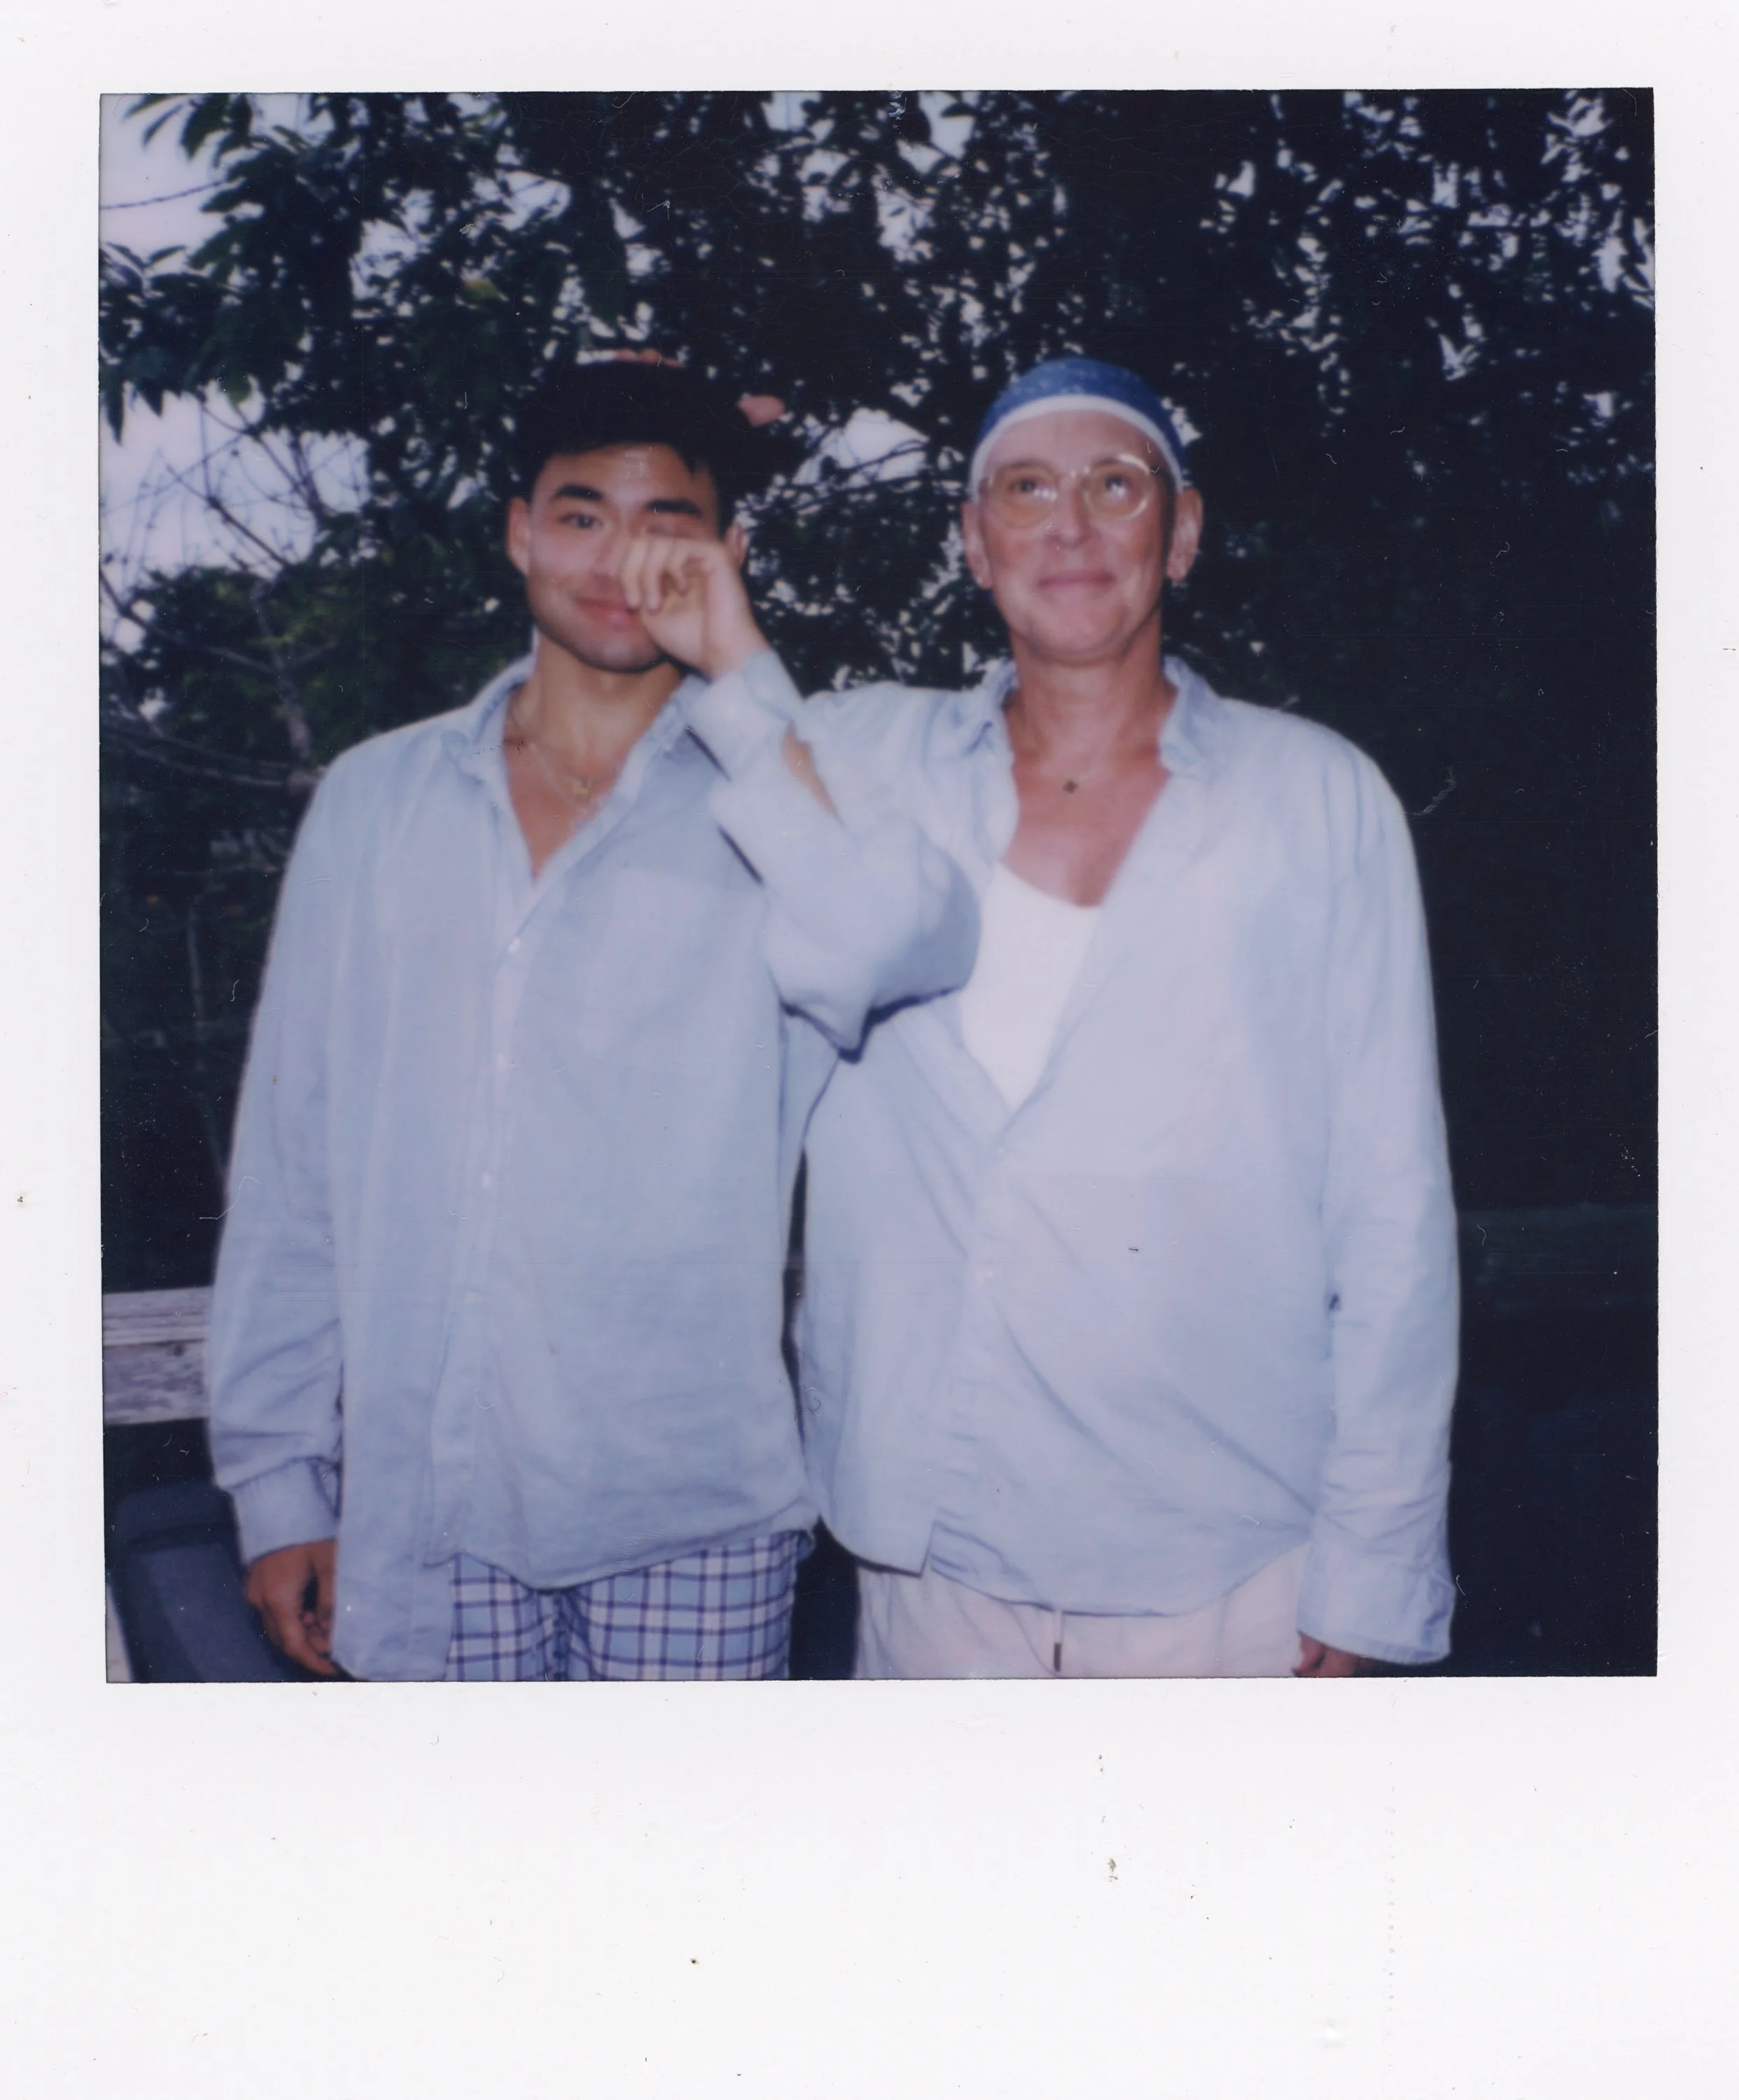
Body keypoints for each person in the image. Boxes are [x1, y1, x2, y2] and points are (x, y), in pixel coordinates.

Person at [207, 356, 977, 1681]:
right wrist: (280, 1481)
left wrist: (739, 667)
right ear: (518, 531)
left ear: (729, 552)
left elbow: (903, 938)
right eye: (581, 514)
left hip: (693, 1518)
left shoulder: (778, 795)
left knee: (676, 1893)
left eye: (669, 524)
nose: (622, 557)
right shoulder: (379, 802)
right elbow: (295, 1156)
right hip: (421, 1516)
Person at [770, 356, 1459, 1676]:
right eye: (1026, 490)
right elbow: (665, 728)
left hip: (1230, 1560)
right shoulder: (862, 766)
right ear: (974, 543)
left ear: (1181, 531)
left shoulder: (1317, 798)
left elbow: (1392, 1209)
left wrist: (1374, 1565)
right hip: (934, 1558)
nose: (1071, 527)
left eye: (1115, 485)